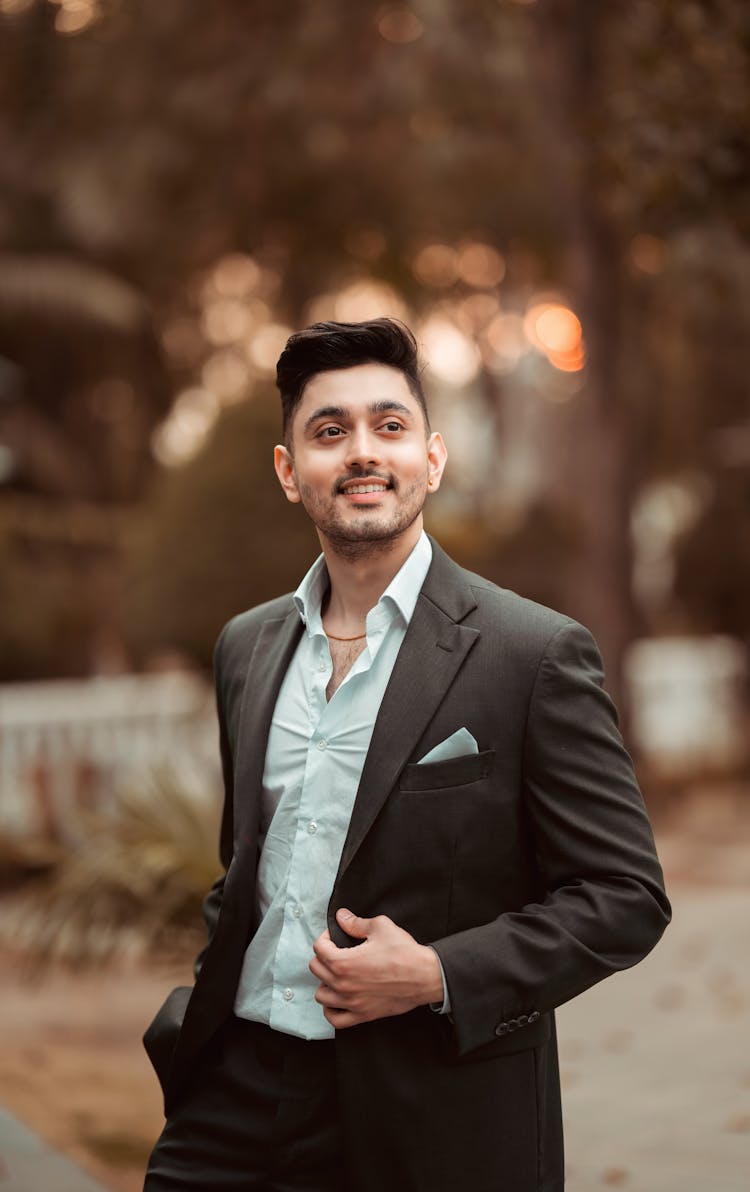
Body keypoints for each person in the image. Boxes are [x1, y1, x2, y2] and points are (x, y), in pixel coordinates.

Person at [143, 317, 670, 1192]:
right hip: (229, 1100)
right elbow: (247, 867)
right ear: (288, 472)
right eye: (328, 431)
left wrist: (435, 972)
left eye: (389, 426)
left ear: (431, 458)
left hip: (429, 1112)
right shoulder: (246, 648)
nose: (362, 452)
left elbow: (626, 896)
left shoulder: (529, 653)